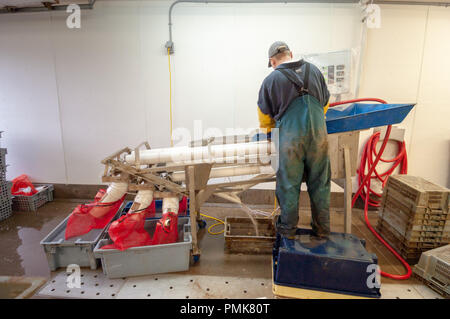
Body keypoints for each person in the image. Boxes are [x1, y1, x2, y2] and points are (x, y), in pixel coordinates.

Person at [257, 41, 331, 238]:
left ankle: (287, 233)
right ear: (291, 53)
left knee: (289, 186)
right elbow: (325, 104)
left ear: (272, 61)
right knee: (320, 184)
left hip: (290, 141)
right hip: (319, 137)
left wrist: (271, 136)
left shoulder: (271, 80)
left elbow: (265, 117)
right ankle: (322, 232)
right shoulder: (315, 71)